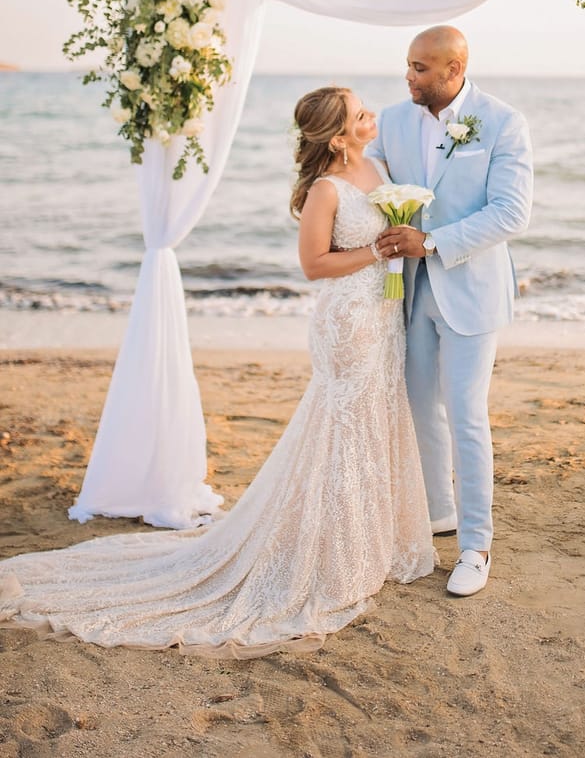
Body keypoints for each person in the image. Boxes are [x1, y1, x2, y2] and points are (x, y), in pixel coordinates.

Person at [0, 87, 434, 657]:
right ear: (336, 136)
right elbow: (313, 265)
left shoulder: (377, 166)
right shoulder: (325, 190)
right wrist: (379, 254)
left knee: (374, 424)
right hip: (348, 321)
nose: (371, 116)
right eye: (360, 114)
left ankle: (364, 541)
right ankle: (332, 555)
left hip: (383, 318)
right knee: (343, 430)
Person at [371, 26, 533, 597]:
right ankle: (439, 511)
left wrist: (432, 243)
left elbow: (512, 214)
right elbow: (362, 179)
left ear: (453, 69)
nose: (409, 78)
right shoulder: (391, 121)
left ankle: (475, 546)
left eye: (420, 69)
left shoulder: (503, 122)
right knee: (419, 405)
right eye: (408, 67)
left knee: (465, 412)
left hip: (472, 290)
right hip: (410, 292)